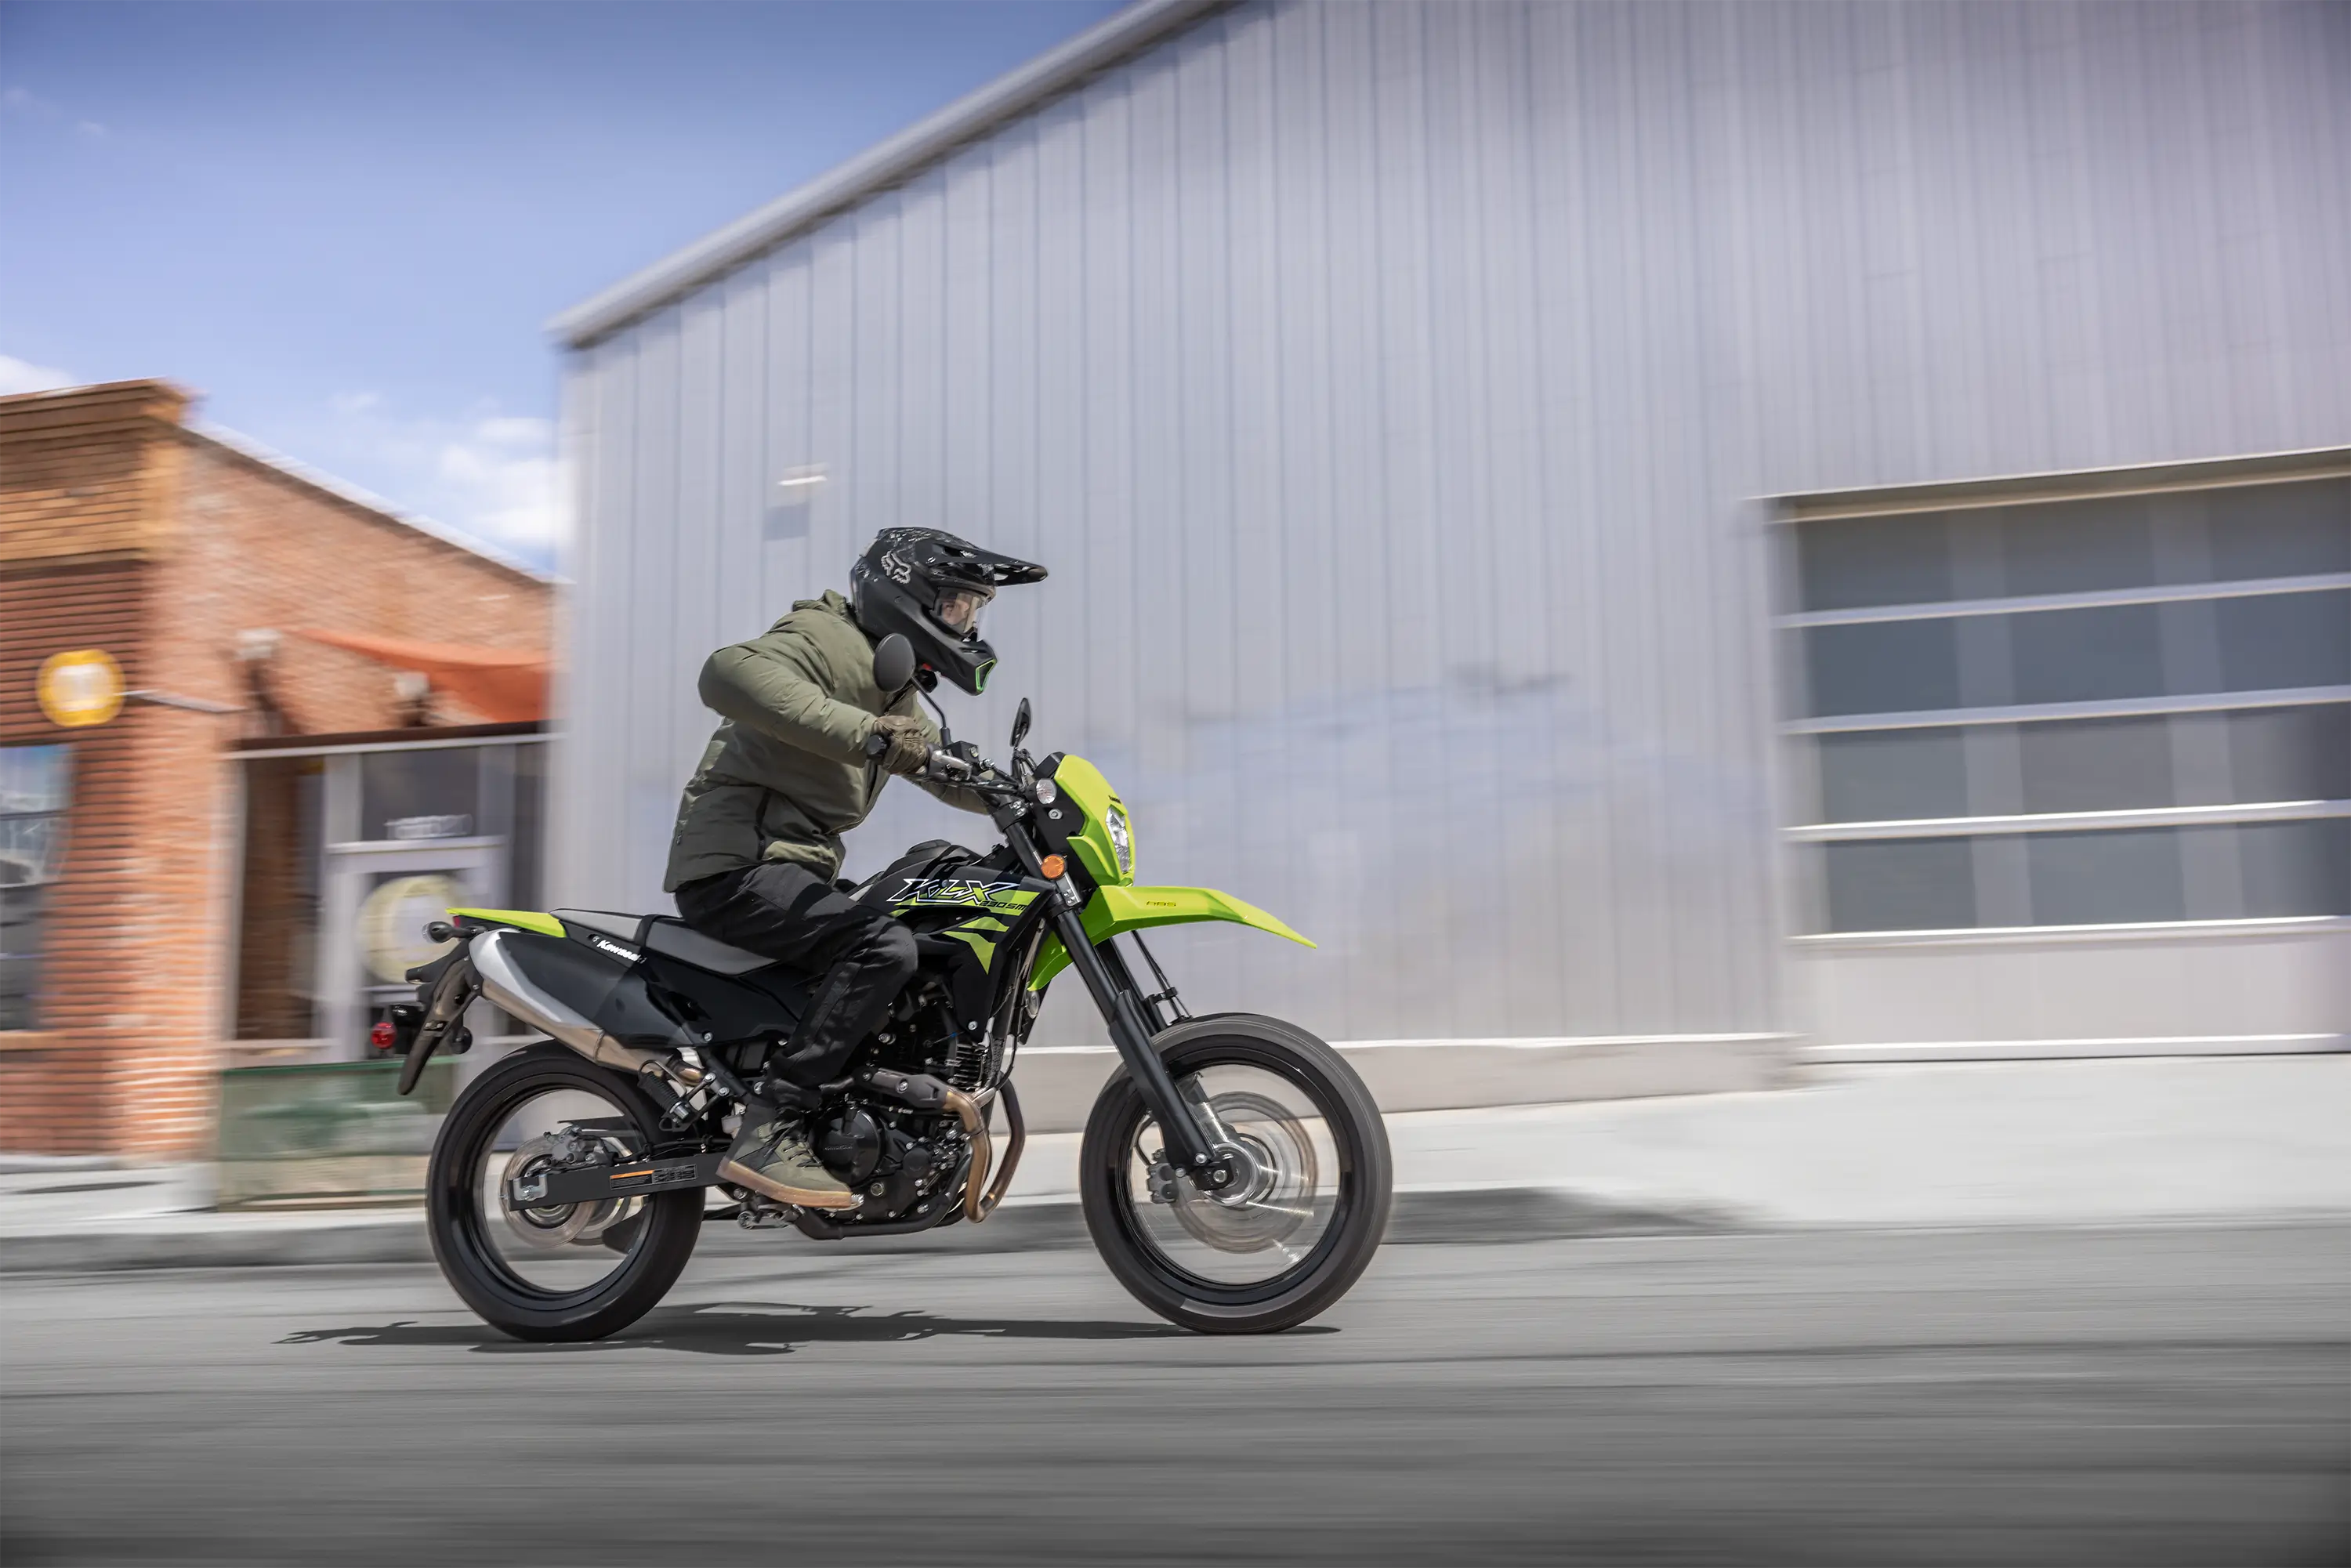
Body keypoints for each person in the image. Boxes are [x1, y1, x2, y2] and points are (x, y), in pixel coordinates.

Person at [664, 527, 1046, 1209]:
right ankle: (772, 1125)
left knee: (920, 929)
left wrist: (1026, 797)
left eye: (973, 611)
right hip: (738, 864)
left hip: (792, 869)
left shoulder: (889, 684)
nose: (967, 622)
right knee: (880, 945)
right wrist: (869, 734)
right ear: (908, 591)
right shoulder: (825, 636)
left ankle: (854, 1117)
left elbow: (937, 767)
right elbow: (724, 672)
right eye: (958, 605)